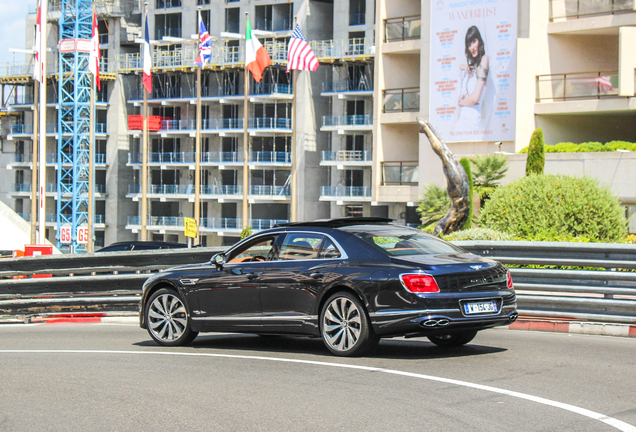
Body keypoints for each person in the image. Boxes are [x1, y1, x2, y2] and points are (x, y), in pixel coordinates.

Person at [456, 25, 489, 131]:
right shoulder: (472, 66)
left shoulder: (485, 59)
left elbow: (475, 98)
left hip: (473, 121)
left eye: (474, 41)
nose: (472, 47)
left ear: (479, 40)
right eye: (469, 44)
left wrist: (460, 102)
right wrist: (463, 66)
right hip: (463, 118)